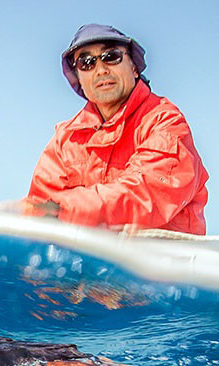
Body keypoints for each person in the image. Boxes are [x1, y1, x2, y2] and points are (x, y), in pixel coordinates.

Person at [25, 24, 209, 234]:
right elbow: (40, 208)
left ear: (133, 67)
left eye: (111, 56)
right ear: (78, 79)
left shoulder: (164, 121)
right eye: (86, 63)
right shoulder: (64, 140)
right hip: (90, 260)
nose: (101, 69)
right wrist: (28, 214)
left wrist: (61, 210)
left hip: (164, 259)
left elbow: (146, 193)